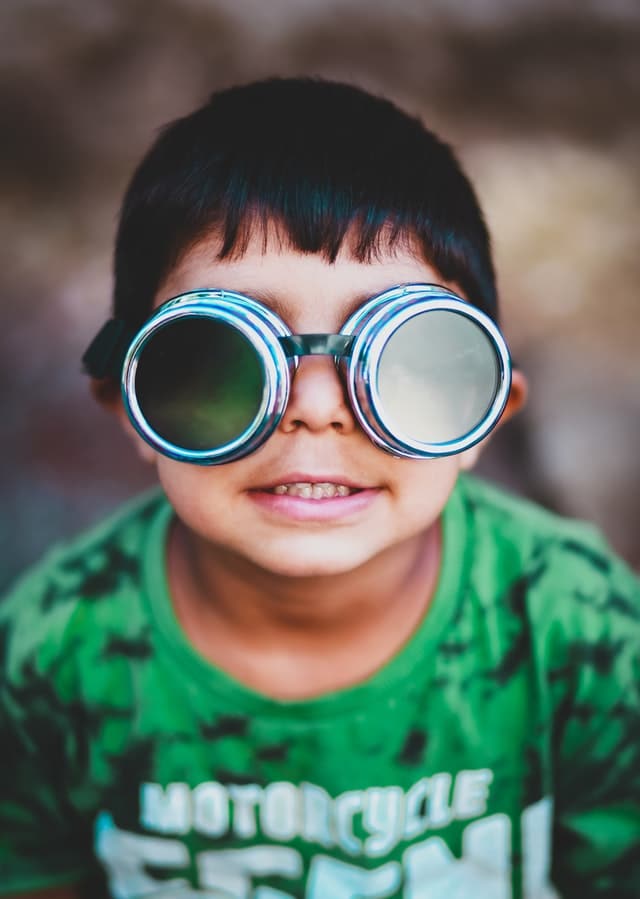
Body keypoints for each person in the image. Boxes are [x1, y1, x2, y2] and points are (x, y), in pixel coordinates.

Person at [1, 77, 638, 899]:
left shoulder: (581, 632)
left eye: (402, 354)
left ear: (485, 415)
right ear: (128, 406)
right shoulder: (51, 657)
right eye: (222, 355)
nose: (314, 408)